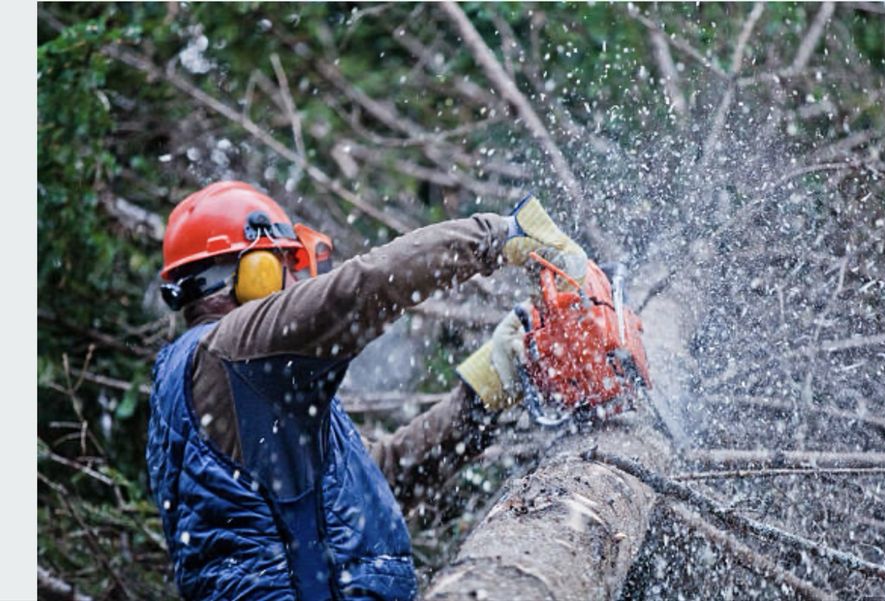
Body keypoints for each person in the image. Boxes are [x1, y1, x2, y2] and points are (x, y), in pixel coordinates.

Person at [146, 180, 585, 601]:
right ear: (253, 273)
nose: (296, 284)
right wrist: (499, 235)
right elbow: (360, 289)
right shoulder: (235, 350)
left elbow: (373, 485)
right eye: (285, 266)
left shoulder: (237, 380)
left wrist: (481, 397)